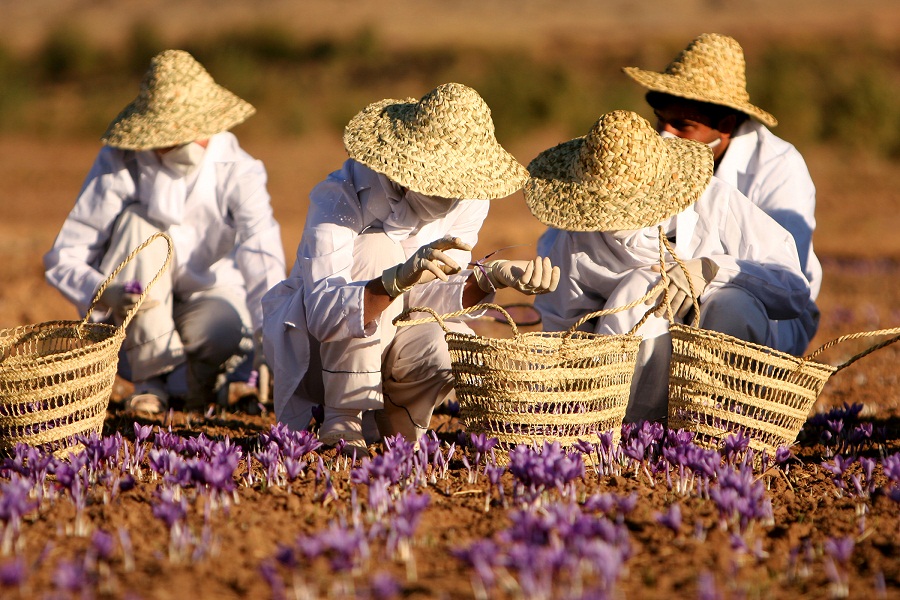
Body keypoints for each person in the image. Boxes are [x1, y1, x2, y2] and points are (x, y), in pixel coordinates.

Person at [262, 82, 559, 453]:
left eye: (462, 183)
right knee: (377, 247)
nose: (454, 193)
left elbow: (436, 302)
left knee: (447, 341)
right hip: (321, 356)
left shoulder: (470, 200)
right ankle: (344, 416)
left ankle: (395, 419)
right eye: (440, 181)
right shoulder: (341, 197)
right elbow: (323, 315)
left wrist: (490, 277)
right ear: (403, 170)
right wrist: (394, 280)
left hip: (397, 342)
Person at [44, 49, 286, 415]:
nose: (188, 142)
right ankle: (149, 382)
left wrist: (271, 343)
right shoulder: (121, 162)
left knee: (220, 330)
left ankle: (202, 383)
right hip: (135, 311)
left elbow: (260, 254)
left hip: (206, 302)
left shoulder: (239, 170)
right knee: (139, 224)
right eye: (172, 134)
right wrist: (104, 291)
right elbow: (65, 256)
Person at [529, 110, 810, 423]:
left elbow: (793, 289)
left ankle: (718, 428)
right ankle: (631, 430)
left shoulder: (714, 201)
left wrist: (712, 269)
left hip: (725, 351)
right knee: (639, 288)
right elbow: (562, 328)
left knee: (734, 305)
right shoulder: (578, 237)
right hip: (625, 386)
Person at [623, 32, 821, 356]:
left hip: (769, 313)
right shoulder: (651, 160)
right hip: (675, 297)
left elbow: (784, 277)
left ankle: (717, 404)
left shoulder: (778, 167)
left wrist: (710, 269)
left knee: (730, 306)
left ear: (726, 125)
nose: (664, 135)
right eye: (661, 122)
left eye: (682, 126)